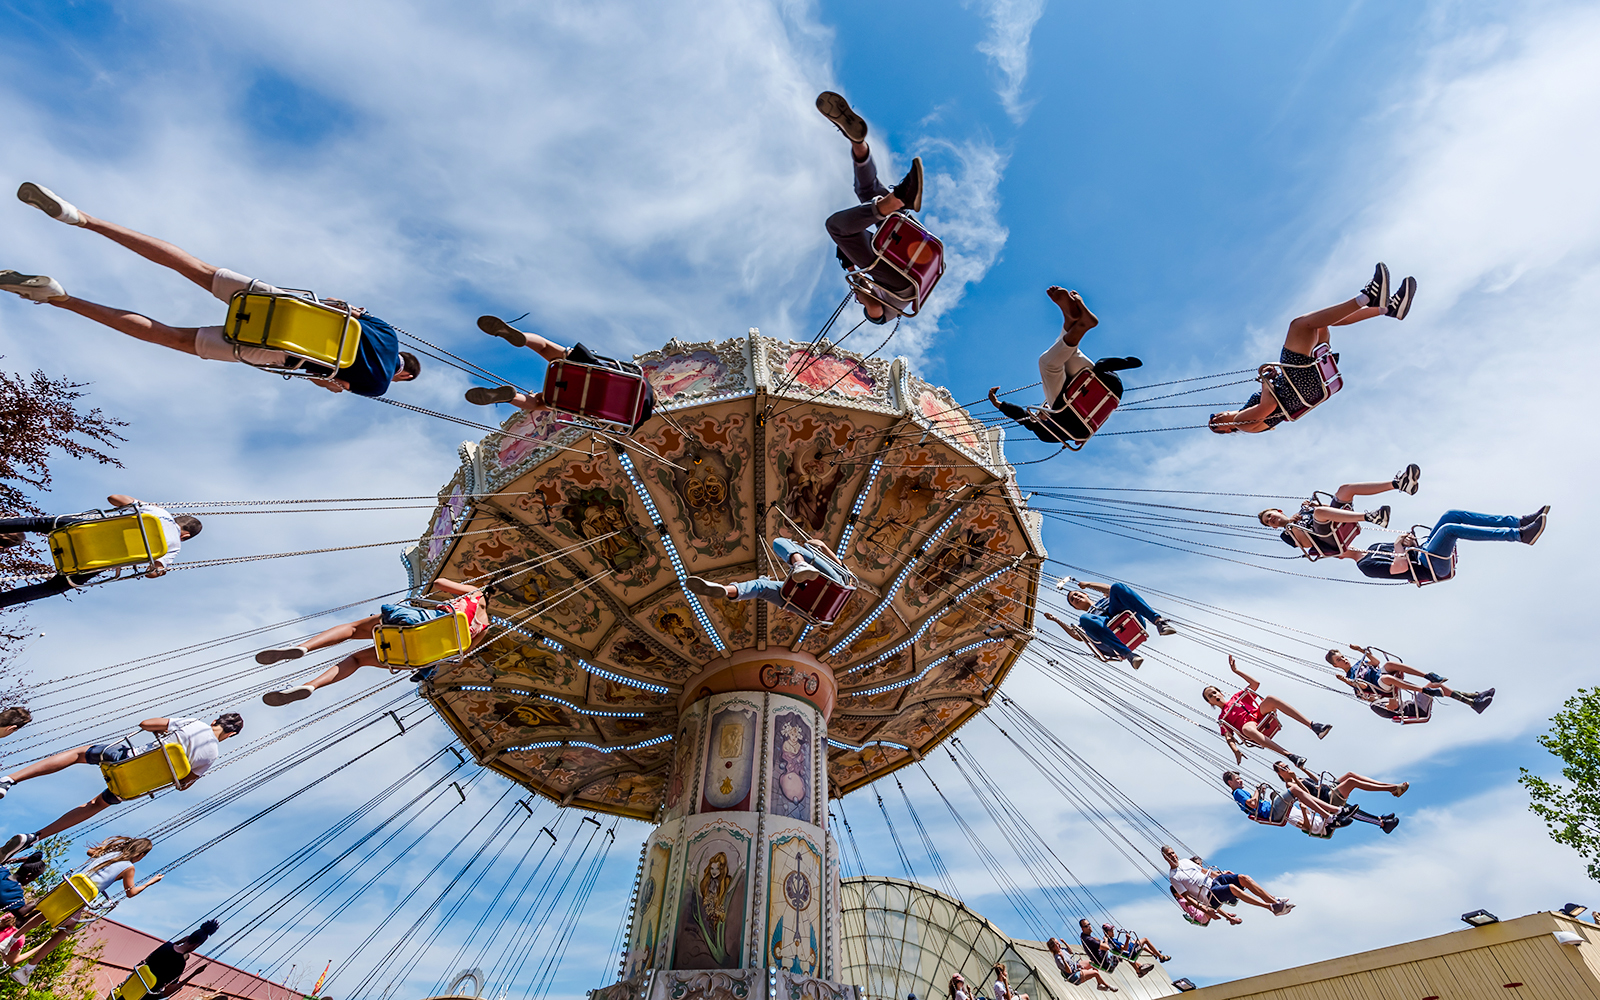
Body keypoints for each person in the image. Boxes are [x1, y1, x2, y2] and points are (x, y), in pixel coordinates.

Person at [2, 184, 420, 396]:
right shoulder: (379, 384)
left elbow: (337, 304)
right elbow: (329, 380)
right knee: (172, 337)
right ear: (401, 373)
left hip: (284, 306)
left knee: (194, 267)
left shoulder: (387, 329)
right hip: (280, 349)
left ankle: (82, 218)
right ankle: (60, 297)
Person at [1208, 264, 1416, 433]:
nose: (1215, 419)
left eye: (1213, 418)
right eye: (1216, 425)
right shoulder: (1241, 422)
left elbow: (1269, 405)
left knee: (1322, 323)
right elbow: (1268, 407)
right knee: (1299, 325)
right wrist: (1265, 381)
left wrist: (1270, 381)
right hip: (1299, 385)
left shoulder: (1245, 417)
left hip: (1306, 387)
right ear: (1227, 431)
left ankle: (1388, 308)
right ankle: (1368, 297)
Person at [0, 714, 243, 853]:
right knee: (96, 804)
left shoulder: (194, 723)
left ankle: (9, 780)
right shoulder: (212, 756)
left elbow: (146, 724)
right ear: (230, 735)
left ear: (215, 720)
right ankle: (35, 837)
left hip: (124, 759)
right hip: (133, 786)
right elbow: (184, 783)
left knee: (78, 755)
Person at [256, 577, 490, 706]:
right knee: (356, 660)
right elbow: (463, 653)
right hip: (421, 655)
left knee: (353, 628)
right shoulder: (485, 625)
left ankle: (304, 647)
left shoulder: (475, 592)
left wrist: (464, 586)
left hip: (419, 625)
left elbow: (439, 583)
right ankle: (311, 686)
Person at [814, 91, 925, 324]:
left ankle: (858, 144)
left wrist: (853, 265)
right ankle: (897, 200)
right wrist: (858, 286)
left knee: (867, 192)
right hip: (901, 276)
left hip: (912, 246)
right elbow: (873, 306)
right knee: (836, 227)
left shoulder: (898, 302)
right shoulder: (884, 316)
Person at [987, 287, 1142, 445]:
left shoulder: (1072, 411)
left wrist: (1080, 438)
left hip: (1101, 380)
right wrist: (999, 405)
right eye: (1042, 412)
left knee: (1066, 353)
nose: (1046, 406)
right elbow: (1026, 419)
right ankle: (1078, 324)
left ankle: (1071, 322)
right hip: (1095, 387)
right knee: (1047, 364)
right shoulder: (1050, 427)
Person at [7, 837, 162, 984]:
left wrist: (111, 848)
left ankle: (11, 939)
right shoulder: (129, 867)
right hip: (78, 899)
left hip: (66, 889)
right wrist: (150, 883)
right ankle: (27, 969)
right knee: (67, 929)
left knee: (45, 913)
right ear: (141, 854)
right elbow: (131, 893)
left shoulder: (111, 853)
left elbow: (90, 853)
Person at [0, 496, 200, 608]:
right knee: (55, 587)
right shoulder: (174, 547)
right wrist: (159, 570)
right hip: (94, 560)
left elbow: (113, 498)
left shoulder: (158, 513)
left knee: (39, 523)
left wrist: (143, 504)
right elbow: (151, 573)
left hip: (84, 530)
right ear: (186, 536)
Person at [463, 316, 656, 432]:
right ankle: (511, 397)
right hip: (580, 402)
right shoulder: (635, 418)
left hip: (589, 370)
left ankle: (524, 339)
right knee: (538, 403)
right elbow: (622, 432)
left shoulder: (641, 383)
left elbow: (621, 368)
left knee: (546, 348)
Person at [1258, 465, 1421, 558]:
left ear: (1278, 511)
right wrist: (1293, 525)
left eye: (1270, 515)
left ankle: (1399, 484)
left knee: (1345, 489)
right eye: (1268, 521)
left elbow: (1329, 511)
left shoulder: (1304, 510)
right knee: (1320, 514)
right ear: (1272, 527)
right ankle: (1371, 517)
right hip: (1326, 538)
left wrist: (1315, 505)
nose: (1270, 519)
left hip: (1333, 522)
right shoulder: (1286, 534)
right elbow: (1307, 544)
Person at [1354, 505, 1550, 583]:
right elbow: (1401, 567)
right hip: (1429, 566)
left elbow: (1405, 552)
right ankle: (1519, 535)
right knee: (1449, 529)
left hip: (1423, 551)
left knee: (1451, 515)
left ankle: (1519, 522)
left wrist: (1408, 542)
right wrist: (1399, 546)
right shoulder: (1365, 566)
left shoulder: (1372, 547)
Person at [1204, 656, 1331, 769]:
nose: (1214, 695)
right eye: (1210, 696)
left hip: (1259, 715)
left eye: (1214, 692)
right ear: (1210, 702)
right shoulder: (1222, 718)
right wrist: (1235, 750)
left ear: (1220, 692)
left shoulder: (1236, 697)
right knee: (1247, 729)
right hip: (1249, 726)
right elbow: (1228, 737)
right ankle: (1290, 755)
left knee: (1270, 698)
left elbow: (1255, 683)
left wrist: (1236, 671)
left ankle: (1313, 725)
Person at [1042, 580, 1175, 669]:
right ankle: (1128, 655)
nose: (1075, 598)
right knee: (1085, 619)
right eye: (1073, 600)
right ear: (1075, 607)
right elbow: (1077, 636)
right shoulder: (1087, 620)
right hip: (1106, 634)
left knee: (1117, 587)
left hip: (1123, 617)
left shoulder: (1106, 599)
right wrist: (1056, 620)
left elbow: (1111, 589)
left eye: (1076, 595)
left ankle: (1159, 622)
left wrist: (1088, 584)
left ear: (1085, 594)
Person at [1327, 646, 1493, 718]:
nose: (1343, 659)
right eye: (1339, 660)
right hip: (1386, 689)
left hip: (1390, 684)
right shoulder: (1376, 705)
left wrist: (1362, 651)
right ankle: (1472, 700)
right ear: (1336, 665)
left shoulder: (1358, 664)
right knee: (1386, 678)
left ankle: (1474, 700)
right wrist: (1348, 682)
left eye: (1343, 656)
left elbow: (1376, 662)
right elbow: (1365, 689)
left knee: (1388, 665)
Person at [685, 538, 850, 608]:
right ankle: (726, 590)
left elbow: (841, 567)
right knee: (761, 586)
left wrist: (823, 546)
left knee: (780, 542)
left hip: (835, 583)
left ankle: (799, 564)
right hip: (814, 605)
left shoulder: (846, 577)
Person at [1268, 760, 1402, 834]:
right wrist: (1295, 778)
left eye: (1286, 766)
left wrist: (1303, 769)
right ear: (1279, 772)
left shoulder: (1299, 777)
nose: (1286, 768)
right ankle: (1391, 791)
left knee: (1350, 775)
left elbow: (1316, 781)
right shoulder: (1289, 784)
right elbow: (1305, 794)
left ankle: (1381, 817)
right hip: (1326, 798)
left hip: (1326, 789)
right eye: (1283, 768)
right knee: (1351, 783)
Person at [1223, 769, 1364, 838]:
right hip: (1272, 812)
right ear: (1230, 782)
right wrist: (1258, 790)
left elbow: (1254, 804)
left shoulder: (1239, 792)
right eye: (1237, 779)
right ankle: (1333, 814)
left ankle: (1334, 813)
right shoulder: (1237, 792)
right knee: (1295, 790)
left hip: (1272, 811)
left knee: (1299, 794)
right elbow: (1253, 804)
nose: (1240, 781)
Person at [1162, 845, 1293, 916]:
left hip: (1213, 881)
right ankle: (1270, 907)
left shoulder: (1185, 861)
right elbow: (1188, 898)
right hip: (1209, 895)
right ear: (1165, 858)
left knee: (1244, 878)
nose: (1173, 856)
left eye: (1173, 853)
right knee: (1232, 888)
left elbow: (1206, 872)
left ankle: (1273, 900)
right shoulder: (1173, 876)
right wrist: (1206, 910)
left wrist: (1221, 873)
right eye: (1169, 855)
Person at [135, 919, 220, 997]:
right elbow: (168, 992)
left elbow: (147, 959)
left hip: (134, 984)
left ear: (187, 938)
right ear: (196, 945)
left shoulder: (166, 946)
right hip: (147, 995)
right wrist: (195, 973)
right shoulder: (180, 963)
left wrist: (180, 941)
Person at [1079, 919, 1153, 978]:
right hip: (1107, 963)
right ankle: (1142, 966)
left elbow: (1099, 945)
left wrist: (1101, 940)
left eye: (1089, 924)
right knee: (1122, 952)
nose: (1089, 926)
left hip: (1105, 960)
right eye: (1086, 926)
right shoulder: (1090, 940)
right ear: (1082, 928)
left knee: (1122, 953)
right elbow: (1107, 947)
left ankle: (1139, 969)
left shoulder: (1084, 937)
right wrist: (1106, 940)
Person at [1046, 937, 1117, 992]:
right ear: (1053, 947)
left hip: (1075, 966)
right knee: (1095, 973)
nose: (1058, 944)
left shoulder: (1062, 950)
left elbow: (1070, 951)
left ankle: (1099, 984)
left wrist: (1064, 942)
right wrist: (1063, 959)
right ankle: (1108, 986)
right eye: (1057, 944)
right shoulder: (1058, 958)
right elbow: (1069, 971)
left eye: (1058, 942)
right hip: (1073, 975)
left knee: (1092, 962)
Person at [1169, 886, 1239, 927]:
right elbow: (1189, 903)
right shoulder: (1181, 901)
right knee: (1210, 906)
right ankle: (1229, 918)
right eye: (1179, 891)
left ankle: (1227, 915)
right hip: (1200, 917)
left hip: (1201, 913)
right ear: (1176, 894)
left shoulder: (1184, 897)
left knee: (1211, 904)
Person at [1101, 923, 1170, 963]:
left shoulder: (1111, 940)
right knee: (1145, 940)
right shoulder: (1112, 942)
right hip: (1130, 952)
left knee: (1137, 943)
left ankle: (1155, 953)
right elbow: (1125, 948)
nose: (1113, 932)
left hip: (1129, 949)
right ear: (1106, 932)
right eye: (1111, 930)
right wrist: (1127, 939)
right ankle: (1160, 956)